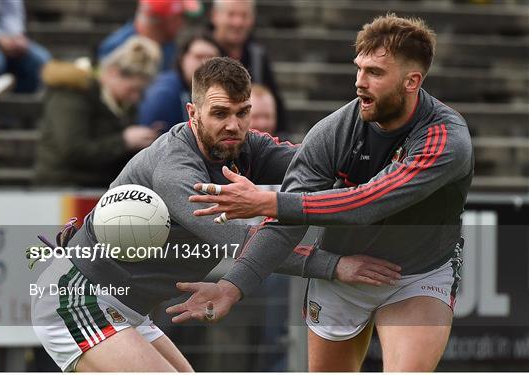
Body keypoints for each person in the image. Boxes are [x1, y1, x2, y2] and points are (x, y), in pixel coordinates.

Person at [31, 57, 401, 372]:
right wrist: (335, 266)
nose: (233, 126)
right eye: (220, 114)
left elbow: (314, 165)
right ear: (193, 113)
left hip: (127, 307)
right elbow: (244, 244)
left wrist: (388, 165)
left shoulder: (245, 146)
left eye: (242, 114)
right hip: (78, 297)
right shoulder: (175, 169)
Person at [169, 14, 474, 372]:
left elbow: (371, 202)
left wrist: (270, 201)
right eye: (359, 69)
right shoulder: (334, 132)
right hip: (341, 275)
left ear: (412, 81)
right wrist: (231, 286)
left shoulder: (445, 138)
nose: (359, 82)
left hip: (418, 275)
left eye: (375, 73)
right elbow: (287, 225)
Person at [34, 36, 161, 187]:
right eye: (132, 89)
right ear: (113, 73)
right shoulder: (73, 94)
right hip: (62, 185)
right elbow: (73, 151)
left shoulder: (122, 104)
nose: (135, 97)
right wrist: (124, 141)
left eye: (140, 92)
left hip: (99, 184)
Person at [210, 0, 287, 133]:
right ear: (215, 15)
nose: (238, 23)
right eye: (231, 15)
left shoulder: (258, 57)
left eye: (244, 16)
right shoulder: (201, 55)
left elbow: (278, 112)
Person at [137, 32, 222, 132]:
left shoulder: (209, 90)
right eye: (198, 57)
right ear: (182, 58)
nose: (205, 63)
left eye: (211, 58)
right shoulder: (164, 93)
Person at [98, 0, 200, 71]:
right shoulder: (116, 49)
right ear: (163, 20)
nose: (183, 24)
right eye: (180, 17)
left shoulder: (169, 43)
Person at [0, 0, 51, 93]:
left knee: (40, 59)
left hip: (8, 36)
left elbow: (12, 13)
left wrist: (17, 36)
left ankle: (19, 105)